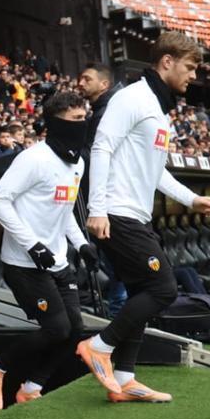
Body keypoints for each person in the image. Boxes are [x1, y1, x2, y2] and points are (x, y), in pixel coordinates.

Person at [80, 31, 210, 403]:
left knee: (143, 291)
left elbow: (156, 171)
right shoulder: (132, 97)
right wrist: (97, 209)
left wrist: (192, 199)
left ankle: (124, 379)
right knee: (163, 288)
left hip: (134, 215)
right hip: (116, 213)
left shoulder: (158, 110)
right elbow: (101, 146)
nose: (193, 75)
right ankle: (98, 346)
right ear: (166, 62)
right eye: (189, 67)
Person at [0, 92, 95, 407]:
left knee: (74, 330)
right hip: (24, 264)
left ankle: (31, 387)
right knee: (57, 328)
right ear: (56, 123)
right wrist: (33, 245)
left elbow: (65, 210)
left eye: (84, 119)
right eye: (75, 120)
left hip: (58, 261)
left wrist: (81, 244)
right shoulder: (33, 158)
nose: (82, 125)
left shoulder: (77, 162)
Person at [78, 62, 127, 315]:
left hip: (108, 201)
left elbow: (95, 156)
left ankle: (119, 327)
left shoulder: (108, 112)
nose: (81, 83)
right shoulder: (104, 109)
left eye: (87, 79)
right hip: (111, 199)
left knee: (118, 267)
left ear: (104, 84)